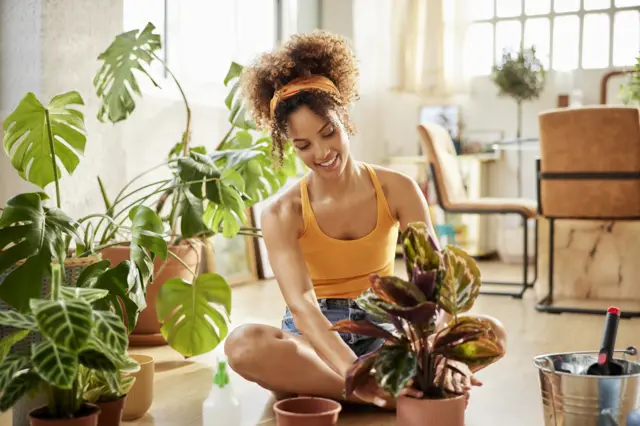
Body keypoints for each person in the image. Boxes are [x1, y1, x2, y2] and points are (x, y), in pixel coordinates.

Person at [223, 30, 506, 409]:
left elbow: (433, 285)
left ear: (344, 116)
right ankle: (386, 393)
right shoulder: (281, 212)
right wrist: (354, 371)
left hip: (385, 331)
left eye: (329, 132)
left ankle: (334, 390)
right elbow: (304, 308)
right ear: (289, 145)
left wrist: (434, 349)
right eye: (303, 146)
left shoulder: (398, 189)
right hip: (316, 341)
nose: (322, 153)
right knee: (243, 344)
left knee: (492, 332)